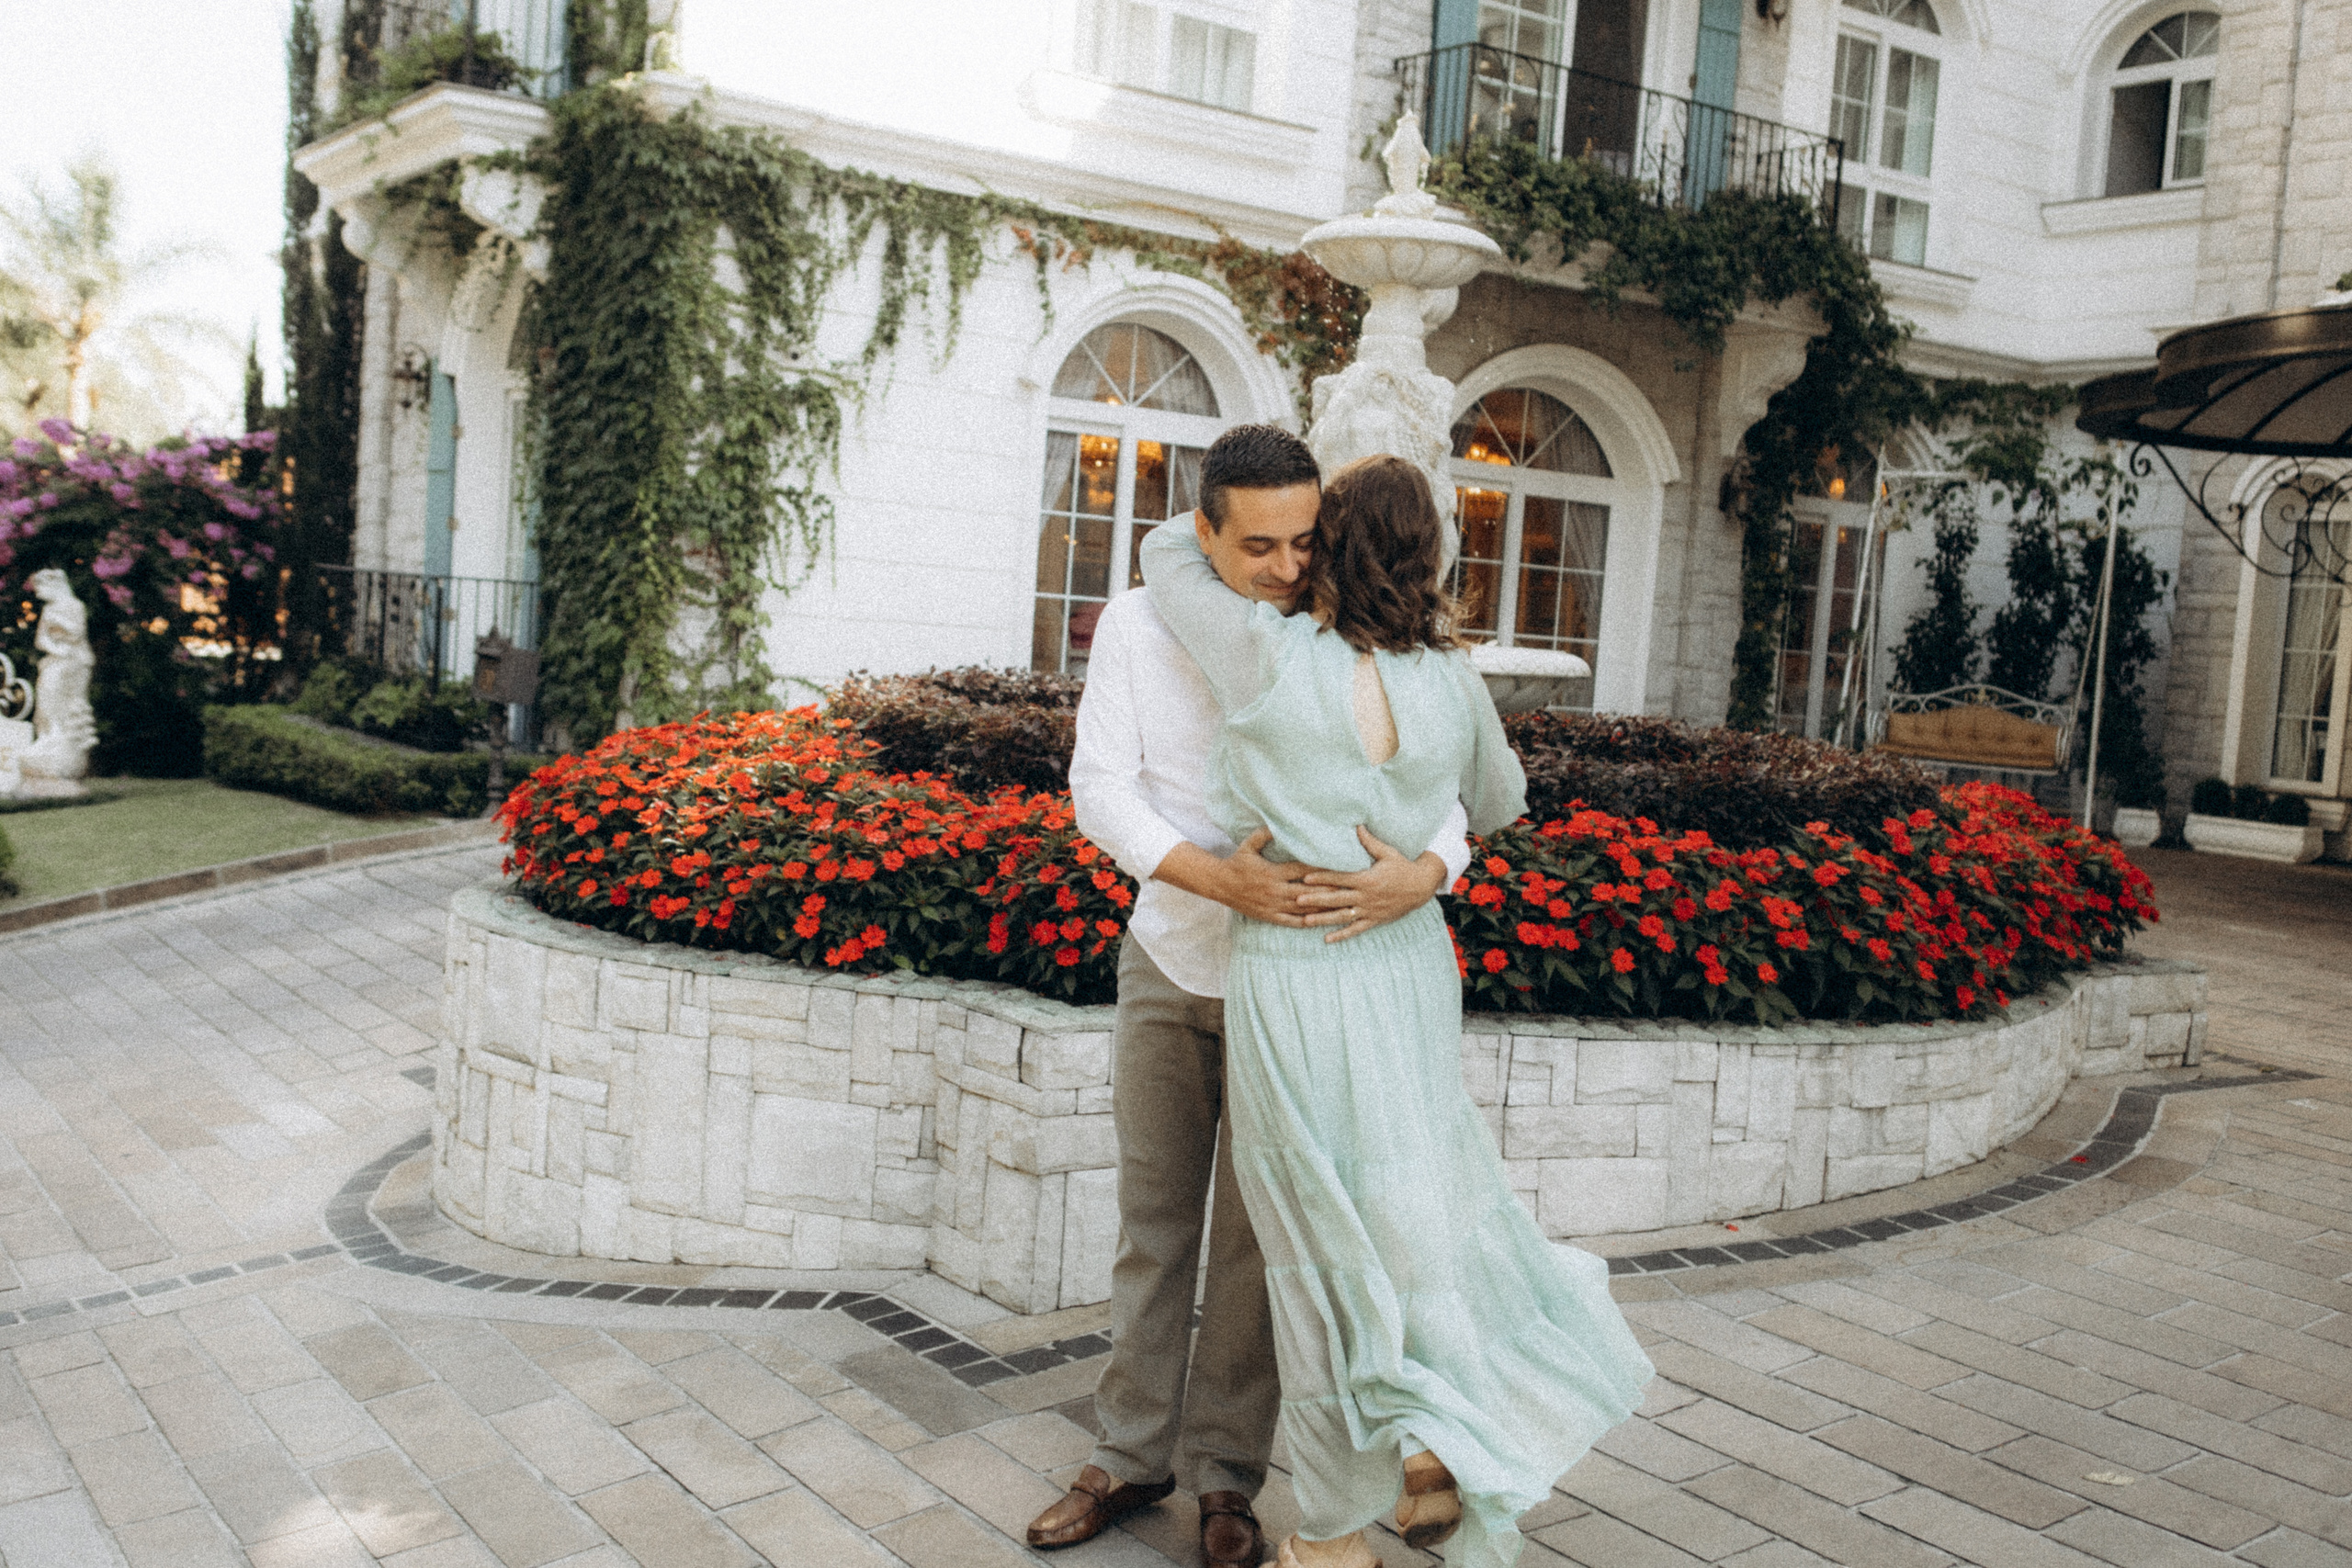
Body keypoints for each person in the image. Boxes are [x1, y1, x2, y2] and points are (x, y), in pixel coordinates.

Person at [1137, 454, 1653, 1568]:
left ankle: (1331, 1533)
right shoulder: (1454, 680)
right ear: (1434, 557)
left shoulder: (1261, 651)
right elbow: (1503, 804)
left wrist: (1264, 551)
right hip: (1406, 963)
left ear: (1327, 544)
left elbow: (1166, 551)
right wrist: (1421, 857)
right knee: (1413, 1220)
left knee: (1318, 1252)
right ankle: (1429, 1458)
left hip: (1298, 963)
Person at [1033, 425, 1474, 1568]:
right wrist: (1211, 875)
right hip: (1173, 959)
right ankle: (1128, 1458)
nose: (1287, 567)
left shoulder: (1342, 625)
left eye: (1303, 540)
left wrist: (1421, 876)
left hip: (1309, 996)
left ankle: (1229, 1480)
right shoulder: (1138, 622)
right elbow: (1101, 788)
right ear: (1201, 535)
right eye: (1260, 546)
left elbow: (1449, 798)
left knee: (1258, 1250)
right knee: (1154, 1226)